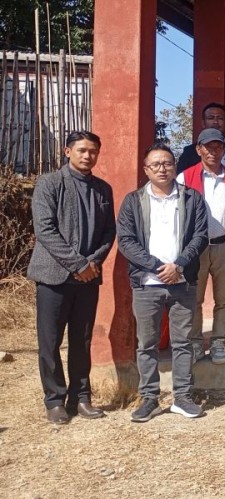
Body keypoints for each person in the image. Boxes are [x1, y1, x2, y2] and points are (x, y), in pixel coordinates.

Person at [28, 131, 116, 424]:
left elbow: (108, 232)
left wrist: (92, 263)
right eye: (81, 150)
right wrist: (77, 263)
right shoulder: (49, 183)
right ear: (68, 151)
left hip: (88, 278)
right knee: (50, 342)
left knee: (82, 340)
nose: (88, 156)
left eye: (93, 151)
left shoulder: (103, 188)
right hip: (54, 277)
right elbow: (45, 230)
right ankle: (54, 400)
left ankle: (81, 397)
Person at [117, 143, 209, 422]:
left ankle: (182, 396)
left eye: (167, 163)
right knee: (147, 343)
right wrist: (157, 267)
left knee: (183, 342)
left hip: (182, 281)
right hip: (147, 284)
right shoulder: (133, 201)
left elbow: (200, 236)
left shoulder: (192, 198)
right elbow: (126, 241)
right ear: (146, 169)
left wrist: (179, 264)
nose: (162, 168)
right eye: (155, 164)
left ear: (175, 166)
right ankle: (149, 398)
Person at [178, 128, 225, 365]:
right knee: (194, 299)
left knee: (224, 299)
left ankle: (219, 341)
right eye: (208, 147)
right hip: (196, 249)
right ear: (199, 149)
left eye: (218, 147)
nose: (213, 152)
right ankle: (196, 342)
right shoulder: (184, 178)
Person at [177, 103, 225, 173]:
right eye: (210, 118)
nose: (215, 122)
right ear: (203, 123)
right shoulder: (189, 152)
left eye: (220, 118)